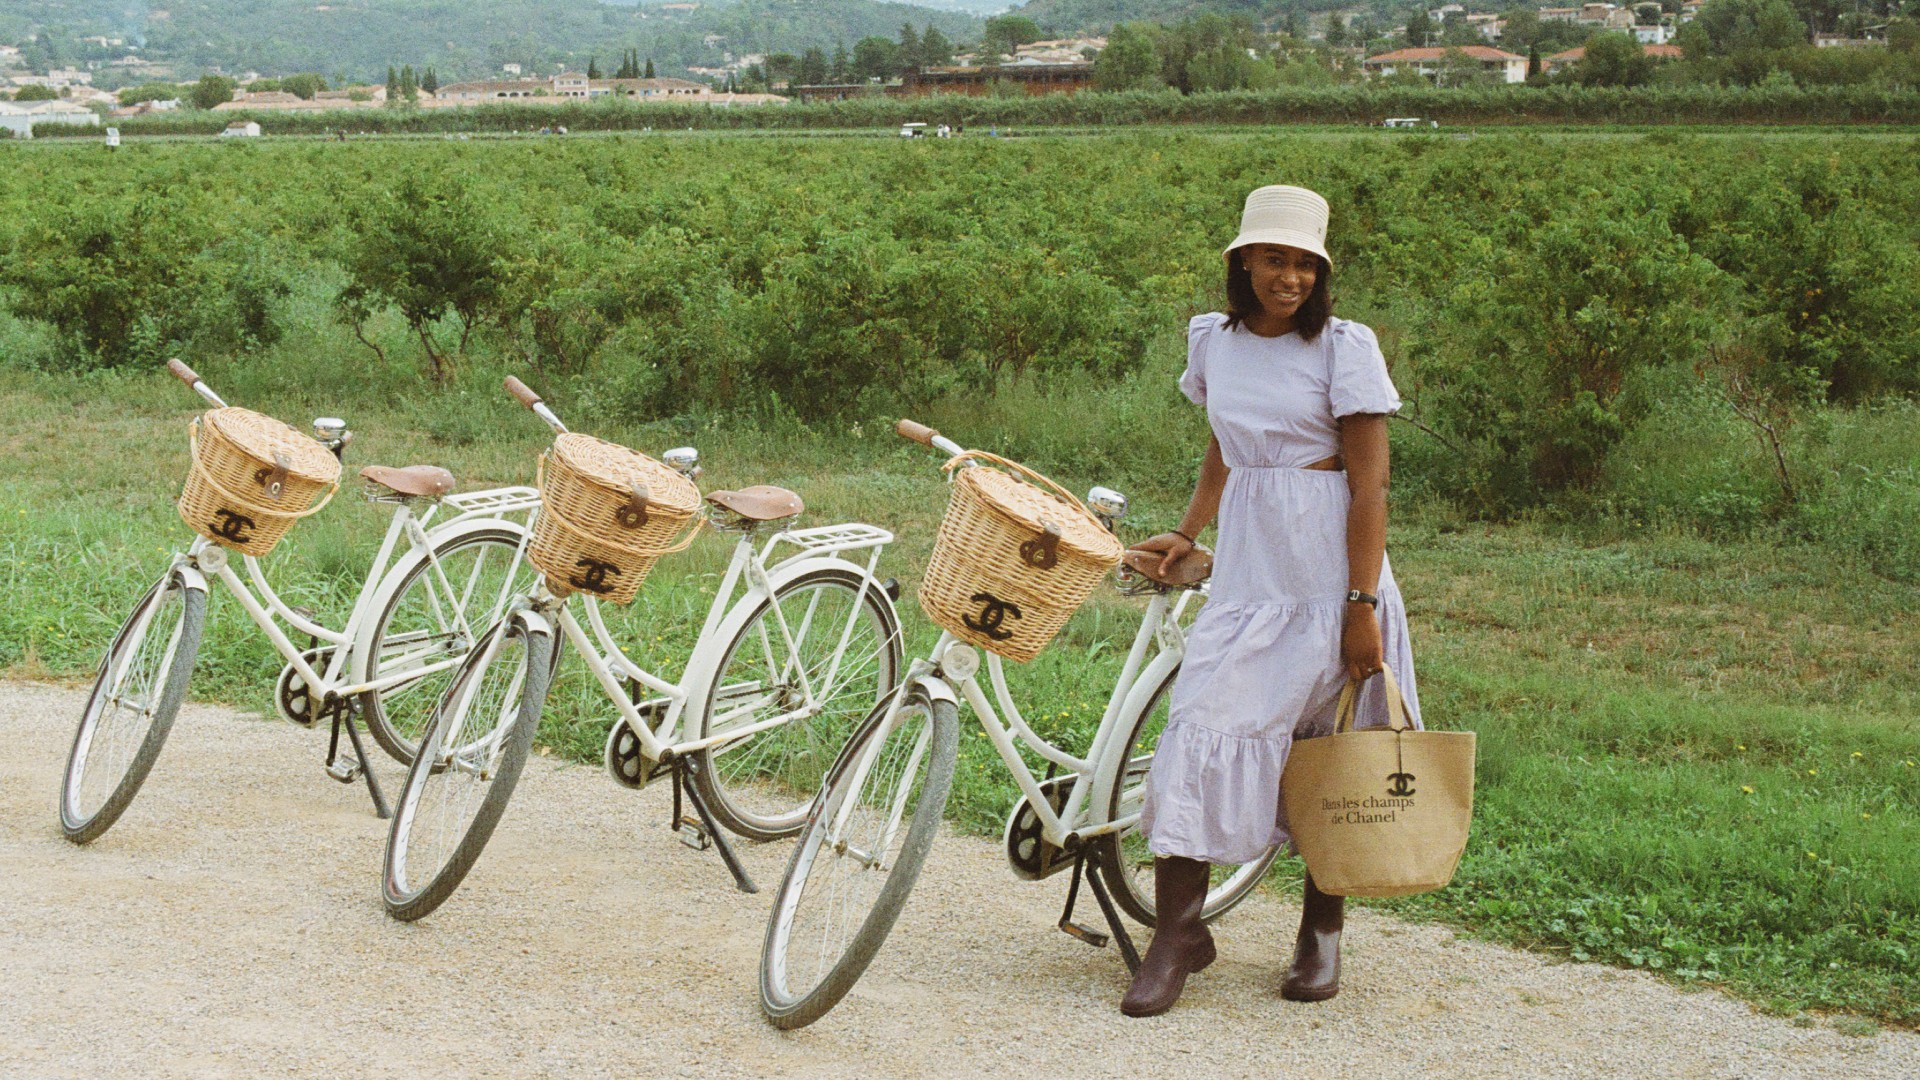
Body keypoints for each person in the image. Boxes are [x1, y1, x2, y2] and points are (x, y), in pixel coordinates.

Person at [1124, 185, 1423, 1017]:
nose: (1288, 277)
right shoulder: (1214, 343)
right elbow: (1225, 446)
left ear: (1320, 271)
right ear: (1243, 261)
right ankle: (1179, 932)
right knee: (1198, 729)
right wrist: (1188, 531)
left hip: (1331, 569)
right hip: (1252, 572)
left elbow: (1372, 485)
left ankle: (1321, 927)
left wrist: (1359, 604)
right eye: (1274, 259)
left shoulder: (1343, 349)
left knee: (1330, 746)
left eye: (1304, 263)